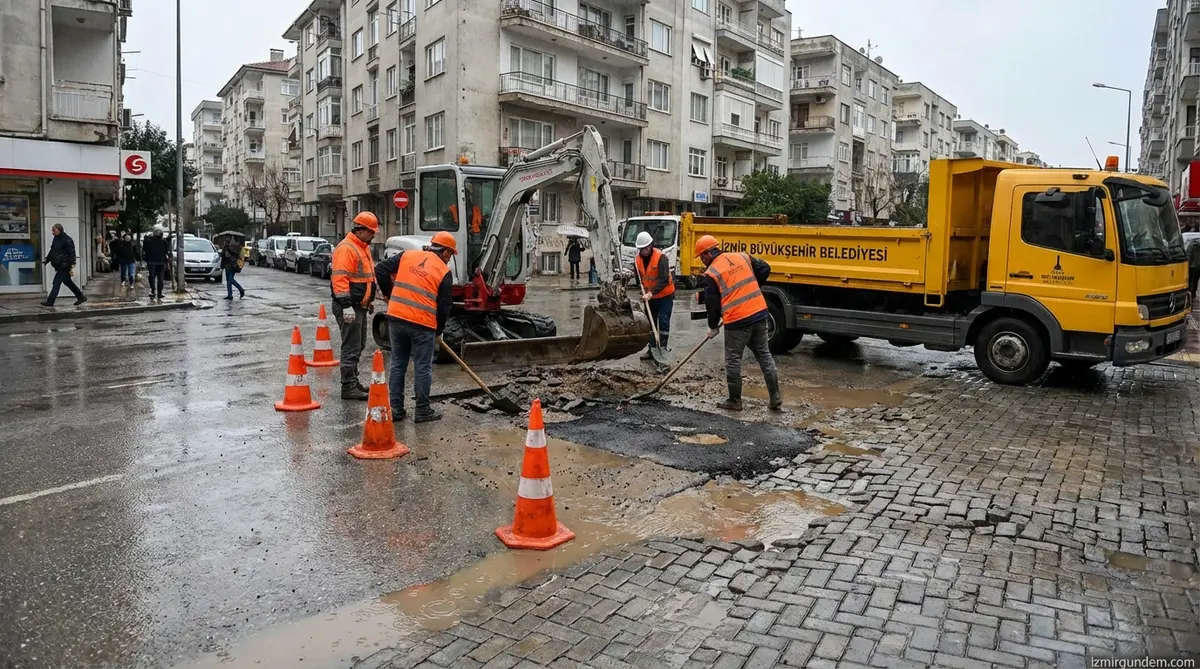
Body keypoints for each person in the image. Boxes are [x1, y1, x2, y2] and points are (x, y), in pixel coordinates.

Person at [374, 230, 456, 423]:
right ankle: (422, 410)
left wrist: (390, 294)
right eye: (450, 255)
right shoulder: (444, 272)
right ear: (444, 252)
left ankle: (395, 409)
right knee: (422, 367)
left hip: (396, 317)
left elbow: (380, 270)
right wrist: (439, 331)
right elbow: (444, 307)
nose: (449, 259)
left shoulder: (407, 255)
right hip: (422, 324)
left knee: (398, 364)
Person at [695, 234, 782, 412]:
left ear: (706, 255)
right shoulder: (741, 256)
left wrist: (713, 327)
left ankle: (735, 400)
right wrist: (752, 286)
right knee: (764, 355)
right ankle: (775, 397)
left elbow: (712, 304)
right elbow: (765, 268)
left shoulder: (711, 273)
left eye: (701, 257)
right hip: (759, 312)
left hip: (737, 320)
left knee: (733, 360)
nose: (702, 261)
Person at [331, 212, 380, 400]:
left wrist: (369, 300)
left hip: (359, 305)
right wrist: (346, 306)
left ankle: (353, 380)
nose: (374, 235)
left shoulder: (362, 247)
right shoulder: (347, 248)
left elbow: (367, 277)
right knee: (351, 346)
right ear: (361, 230)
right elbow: (340, 279)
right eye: (371, 231)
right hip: (349, 306)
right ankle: (348, 386)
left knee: (358, 345)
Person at [633, 231, 673, 359]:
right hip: (649, 298)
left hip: (665, 296)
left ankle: (662, 348)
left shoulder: (661, 257)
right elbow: (638, 278)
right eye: (641, 249)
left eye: (645, 248)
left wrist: (651, 293)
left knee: (663, 322)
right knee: (650, 323)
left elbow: (664, 279)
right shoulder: (637, 260)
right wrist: (643, 291)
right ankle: (651, 349)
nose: (643, 251)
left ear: (651, 245)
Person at [40, 224, 87, 307]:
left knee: (56, 283)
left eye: (54, 230)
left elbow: (72, 253)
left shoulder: (67, 240)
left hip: (64, 266)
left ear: (59, 230)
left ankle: (50, 301)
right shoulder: (56, 239)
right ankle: (81, 297)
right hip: (59, 265)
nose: (52, 232)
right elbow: (52, 251)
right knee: (68, 283)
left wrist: (72, 264)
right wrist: (47, 260)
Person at [142, 229, 169, 300]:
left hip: (152, 262)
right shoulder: (164, 242)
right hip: (161, 262)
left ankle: (153, 291)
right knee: (160, 278)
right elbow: (166, 251)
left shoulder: (149, 242)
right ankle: (159, 293)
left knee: (152, 277)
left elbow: (144, 249)